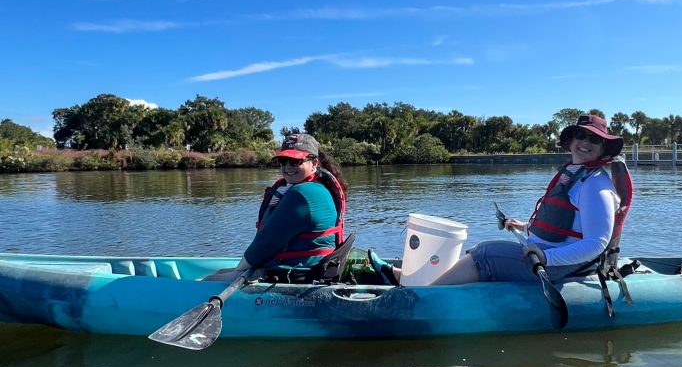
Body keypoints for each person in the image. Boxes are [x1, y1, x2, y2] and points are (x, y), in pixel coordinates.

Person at [369, 114, 631, 286]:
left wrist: (546, 258)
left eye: (594, 139)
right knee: (478, 249)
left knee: (486, 253)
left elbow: (597, 243)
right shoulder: (574, 175)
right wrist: (525, 228)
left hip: (560, 266)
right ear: (572, 140)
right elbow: (564, 221)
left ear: (603, 147)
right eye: (581, 136)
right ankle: (407, 278)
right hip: (543, 255)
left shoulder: (596, 185)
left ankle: (423, 296)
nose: (585, 143)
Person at [205, 133, 348, 282]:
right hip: (311, 269)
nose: (287, 167)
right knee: (221, 272)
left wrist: (239, 269)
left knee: (211, 280)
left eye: (295, 161)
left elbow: (266, 243)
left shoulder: (302, 193)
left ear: (314, 163)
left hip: (296, 274)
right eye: (283, 161)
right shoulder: (319, 187)